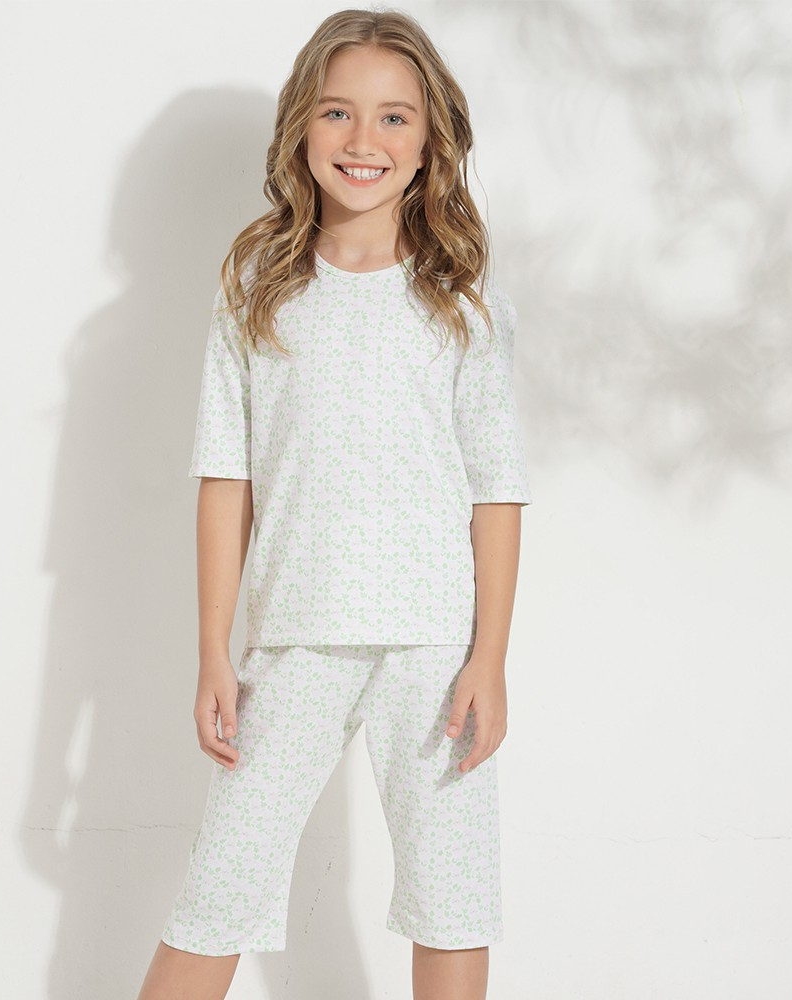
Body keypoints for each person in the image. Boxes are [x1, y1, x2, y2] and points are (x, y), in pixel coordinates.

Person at [136, 8, 531, 1000]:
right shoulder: (256, 288)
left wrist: (488, 656)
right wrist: (213, 649)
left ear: (430, 142)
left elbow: (497, 489)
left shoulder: (464, 300)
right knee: (218, 891)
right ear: (301, 128)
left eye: (395, 118)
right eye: (338, 112)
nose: (364, 139)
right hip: (296, 637)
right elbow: (224, 476)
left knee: (451, 899)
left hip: (433, 647)